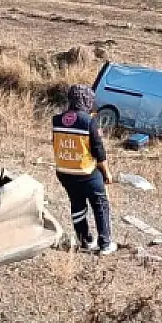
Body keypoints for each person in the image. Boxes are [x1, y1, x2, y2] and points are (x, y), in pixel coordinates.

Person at [52, 85, 116, 255]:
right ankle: (105, 244)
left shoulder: (56, 120)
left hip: (64, 171)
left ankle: (85, 240)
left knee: (77, 204)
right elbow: (98, 150)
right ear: (86, 100)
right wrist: (107, 172)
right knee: (100, 204)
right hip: (86, 172)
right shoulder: (88, 122)